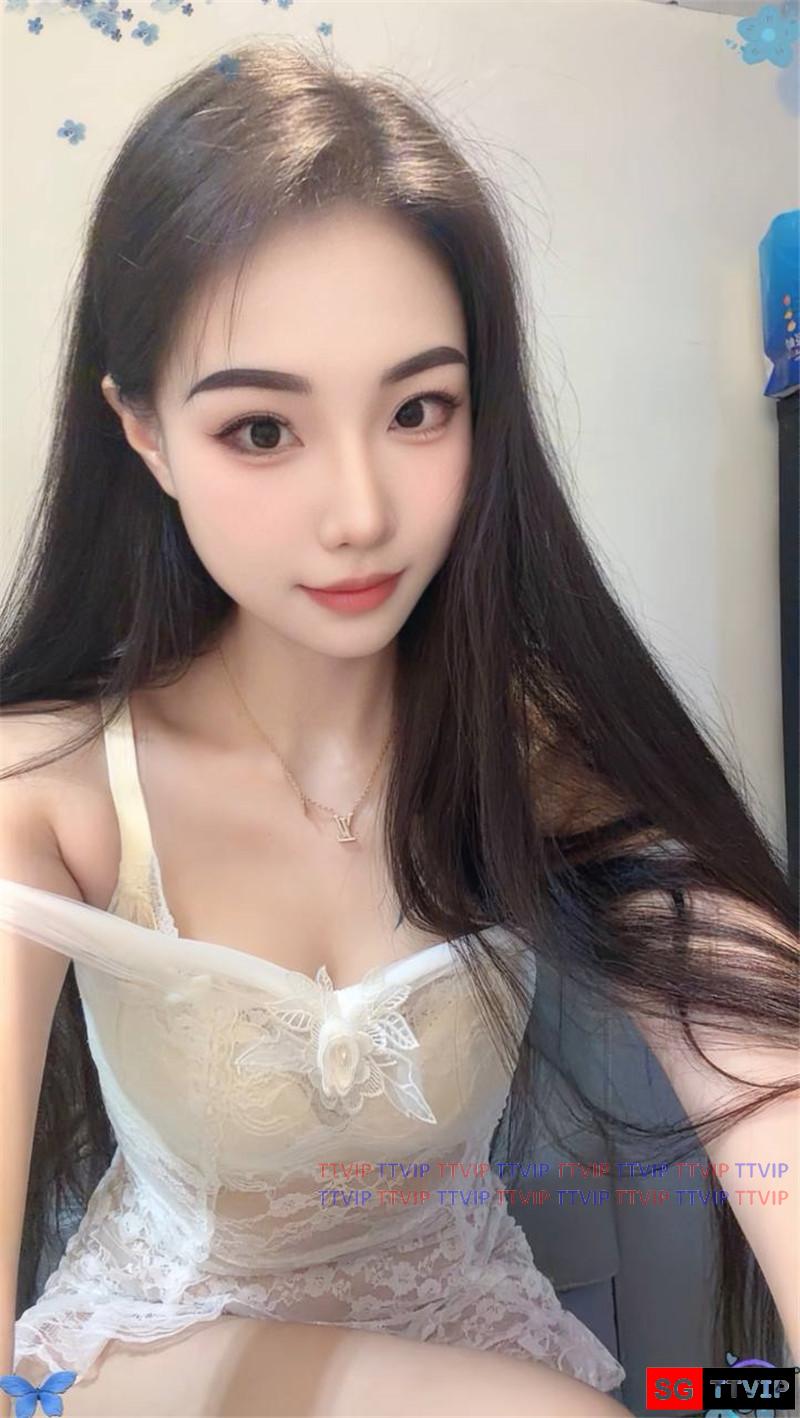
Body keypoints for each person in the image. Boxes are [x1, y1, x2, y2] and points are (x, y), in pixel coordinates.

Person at [0, 36, 796, 1418]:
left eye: (419, 409)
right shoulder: (52, 788)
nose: (361, 512)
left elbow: (764, 1058)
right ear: (142, 430)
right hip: (159, 1351)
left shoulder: (536, 749)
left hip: (468, 1322)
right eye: (262, 431)